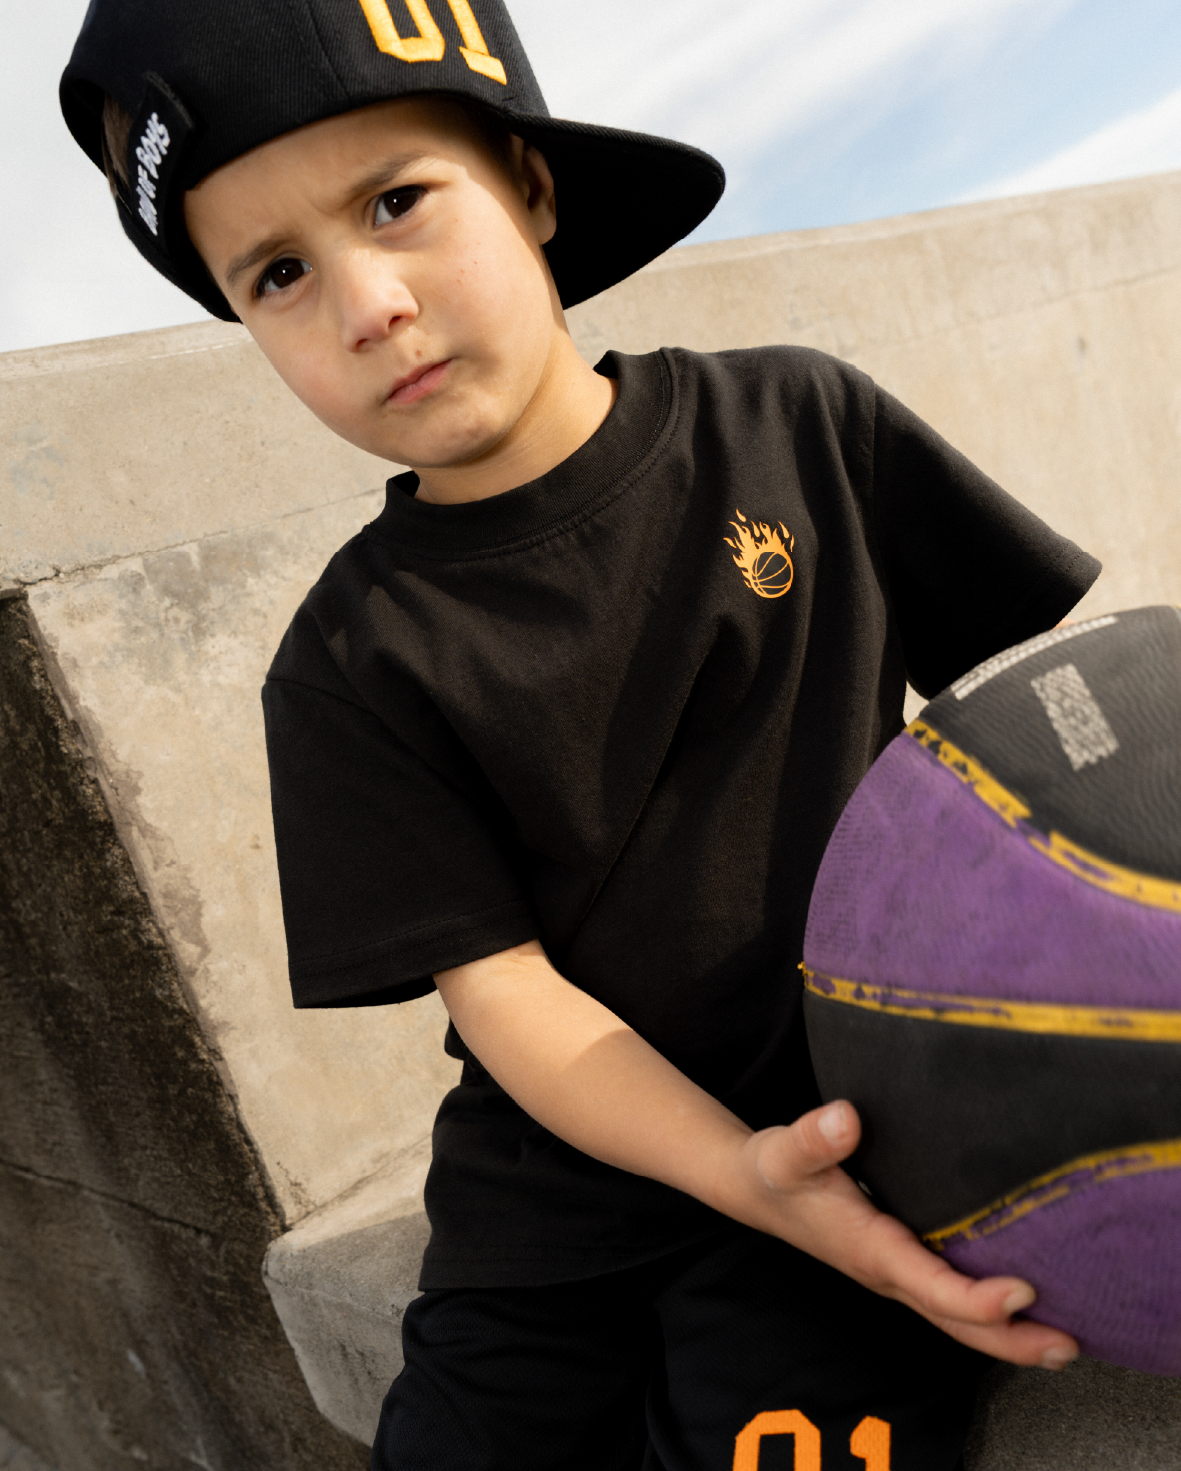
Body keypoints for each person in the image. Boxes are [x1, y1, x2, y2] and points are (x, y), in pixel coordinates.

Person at [62, 3, 1098, 1466]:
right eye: (278, 274)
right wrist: (731, 1165)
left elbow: (1061, 728)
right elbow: (506, 996)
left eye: (396, 201)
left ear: (534, 186)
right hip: (551, 1202)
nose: (368, 304)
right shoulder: (348, 660)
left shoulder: (797, 424)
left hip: (845, 1130)